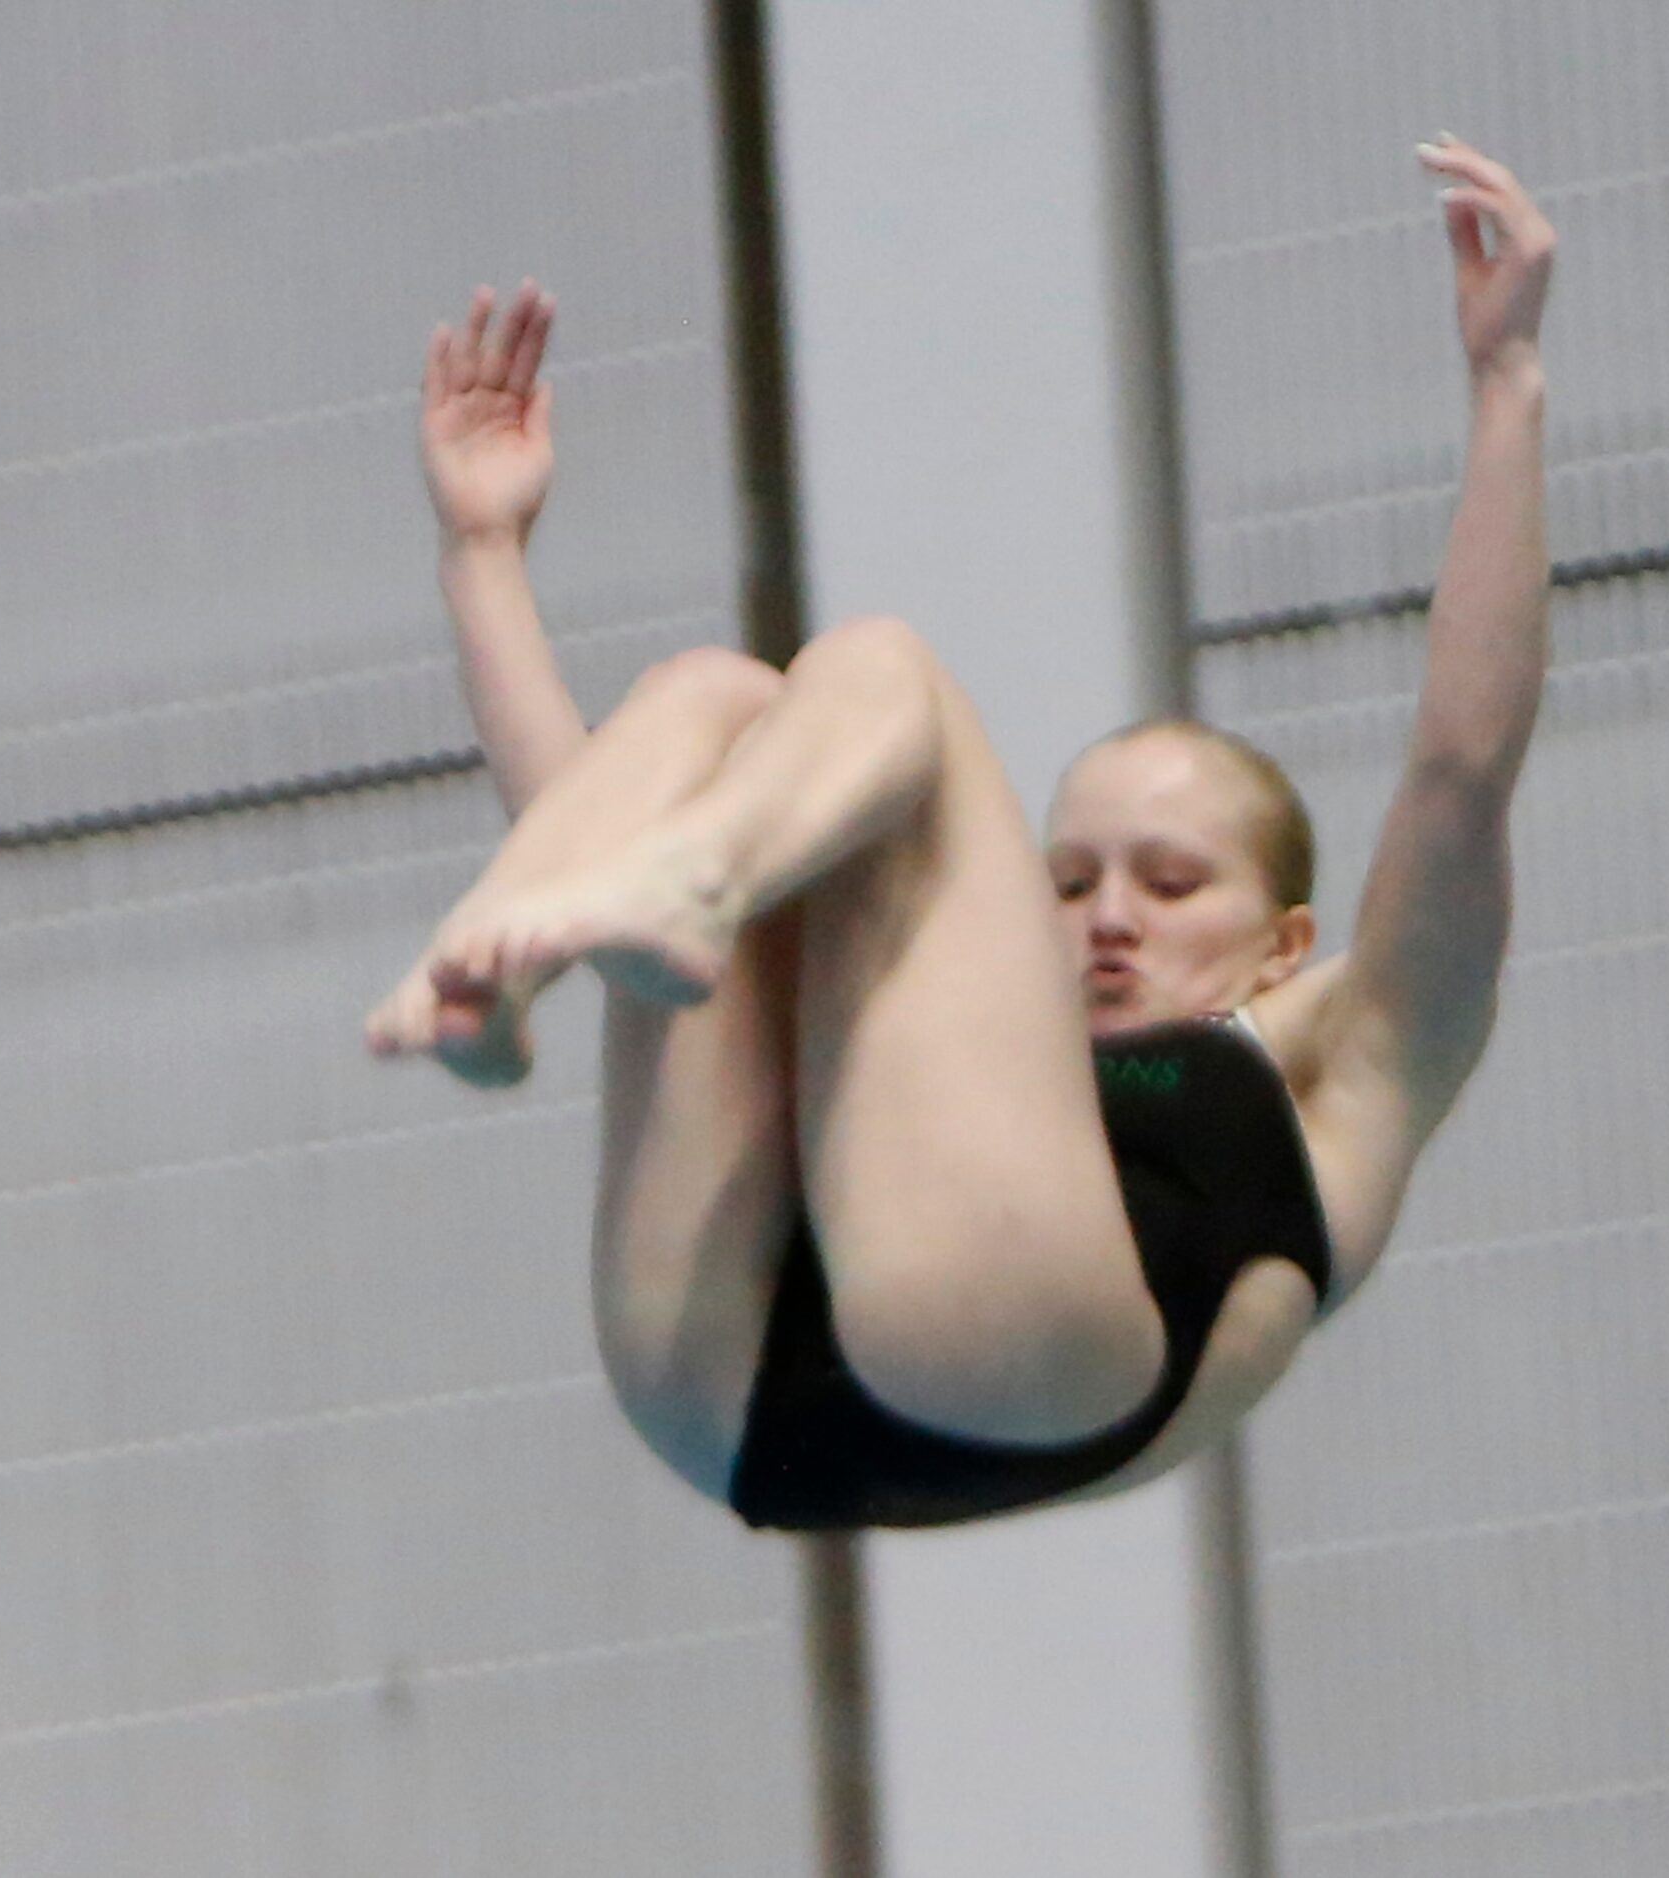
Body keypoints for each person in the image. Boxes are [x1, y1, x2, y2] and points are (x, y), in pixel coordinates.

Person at [363, 137, 1556, 1529]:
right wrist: (481, 555)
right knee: (706, 703)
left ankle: (655, 901)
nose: (1106, 915)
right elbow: (602, 838)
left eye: (1170, 883)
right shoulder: (917, 1055)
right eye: (1065, 879)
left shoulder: (1353, 1061)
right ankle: (492, 989)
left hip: (1017, 1358)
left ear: (1285, 940)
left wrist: (1505, 384)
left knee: (881, 671)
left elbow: (1462, 772)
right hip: (715, 1373)